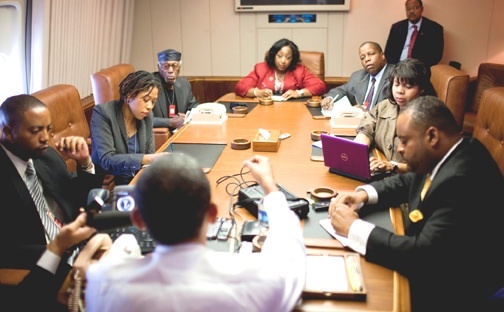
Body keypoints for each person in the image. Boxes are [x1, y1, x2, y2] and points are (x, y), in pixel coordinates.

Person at [328, 96, 504, 311]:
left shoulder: (462, 180)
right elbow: (409, 180)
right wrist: (363, 195)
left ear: (432, 136)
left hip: (457, 290)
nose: (400, 149)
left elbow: (422, 256)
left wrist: (353, 228)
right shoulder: (455, 149)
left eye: (404, 140)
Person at [85, 154, 306, 312]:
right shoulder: (257, 282)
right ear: (212, 214)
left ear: (138, 220)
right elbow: (291, 255)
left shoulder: (103, 284)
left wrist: (122, 244)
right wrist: (269, 187)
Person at [0, 95, 105, 311]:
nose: (46, 138)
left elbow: (74, 200)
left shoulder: (46, 156)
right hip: (42, 263)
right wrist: (59, 249)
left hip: (74, 243)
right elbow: (7, 249)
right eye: (35, 131)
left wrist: (84, 163)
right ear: (8, 132)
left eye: (48, 129)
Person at [354, 58, 436, 175]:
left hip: (406, 181)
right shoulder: (385, 105)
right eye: (396, 84)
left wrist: (393, 166)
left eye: (408, 87)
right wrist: (358, 149)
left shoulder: (429, 118)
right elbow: (367, 129)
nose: (399, 91)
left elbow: (427, 167)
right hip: (379, 170)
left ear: (422, 88)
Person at [90, 70, 168, 185]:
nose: (150, 106)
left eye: (153, 102)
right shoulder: (103, 113)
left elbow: (149, 153)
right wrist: (150, 159)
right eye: (146, 100)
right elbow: (107, 160)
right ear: (129, 95)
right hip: (112, 183)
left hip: (138, 181)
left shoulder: (147, 116)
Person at [235, 38, 326, 100]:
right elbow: (240, 87)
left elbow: (320, 86)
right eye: (279, 56)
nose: (283, 61)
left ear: (292, 59)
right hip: (264, 110)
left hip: (293, 112)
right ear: (273, 55)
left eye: (288, 57)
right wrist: (257, 92)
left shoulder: (299, 70)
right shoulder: (261, 68)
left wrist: (299, 93)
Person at [321, 41, 395, 111]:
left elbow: (395, 109)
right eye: (362, 58)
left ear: (382, 56)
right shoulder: (357, 76)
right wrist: (329, 98)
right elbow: (342, 90)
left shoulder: (395, 76)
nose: (367, 59)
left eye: (371, 54)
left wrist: (368, 113)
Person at [384, 0, 444, 68]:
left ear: (422, 9)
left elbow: (436, 55)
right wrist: (394, 67)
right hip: (397, 67)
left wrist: (418, 69)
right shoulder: (396, 27)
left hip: (420, 70)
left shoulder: (434, 29)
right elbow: (388, 52)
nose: (411, 11)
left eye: (415, 8)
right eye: (408, 9)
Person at [152, 49, 199, 131]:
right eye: (166, 66)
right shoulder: (149, 86)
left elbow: (194, 108)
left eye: (174, 66)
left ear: (179, 67)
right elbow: (143, 119)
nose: (170, 71)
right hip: (160, 135)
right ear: (159, 67)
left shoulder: (184, 84)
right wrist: (169, 122)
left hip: (180, 132)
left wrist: (188, 116)